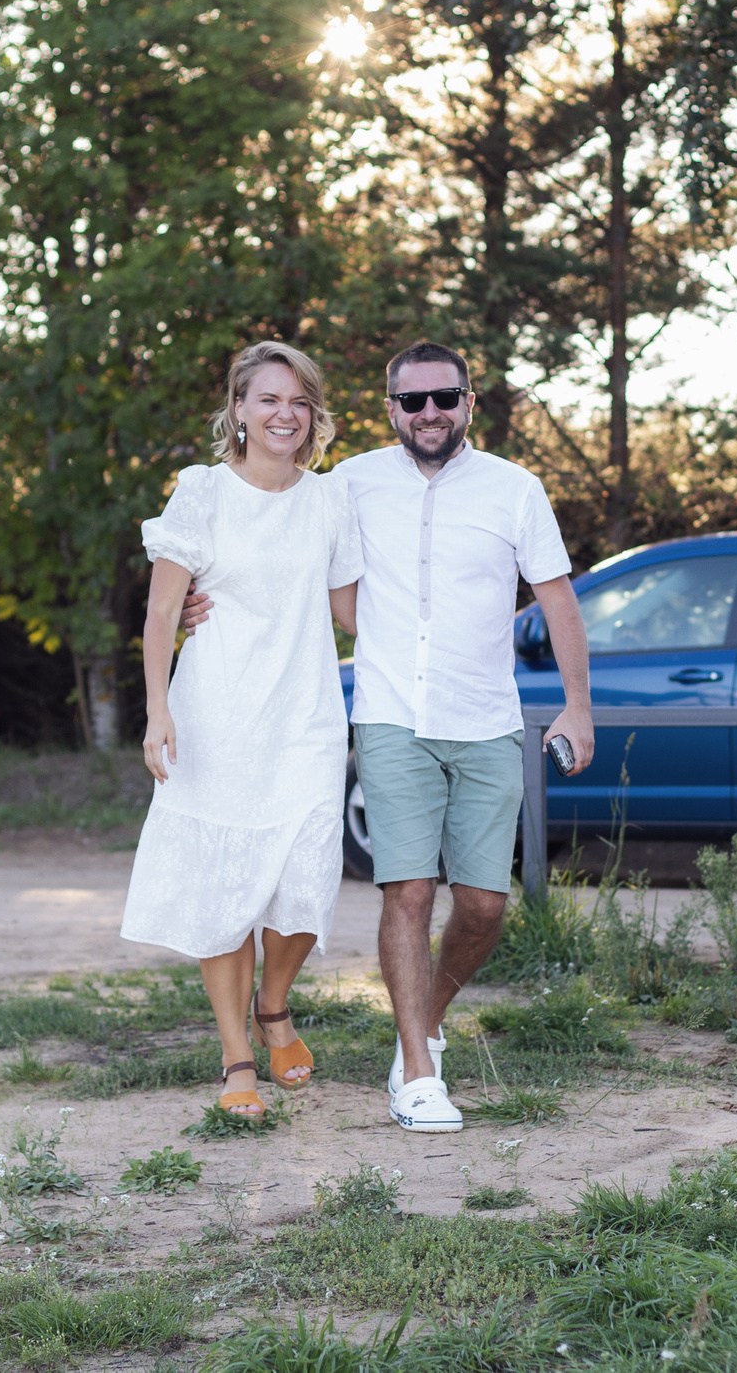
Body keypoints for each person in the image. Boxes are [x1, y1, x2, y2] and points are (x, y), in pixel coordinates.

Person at [187, 340, 595, 1133]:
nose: (429, 412)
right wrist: (203, 596)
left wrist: (577, 706)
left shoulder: (516, 489)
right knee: (407, 889)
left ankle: (426, 1019)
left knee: (483, 904)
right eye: (413, 400)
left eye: (445, 397)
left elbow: (559, 601)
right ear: (391, 409)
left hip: (485, 717)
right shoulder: (349, 483)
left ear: (469, 402)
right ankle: (416, 1074)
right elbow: (271, 538)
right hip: (390, 714)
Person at [122, 341, 362, 1121]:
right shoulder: (202, 491)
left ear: (314, 414)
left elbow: (352, 613)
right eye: (269, 399)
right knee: (224, 888)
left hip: (306, 718)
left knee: (306, 882)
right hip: (216, 714)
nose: (285, 414)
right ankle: (237, 1058)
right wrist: (157, 707)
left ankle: (273, 1003)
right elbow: (164, 609)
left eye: (299, 401)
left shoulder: (330, 499)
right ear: (239, 410)